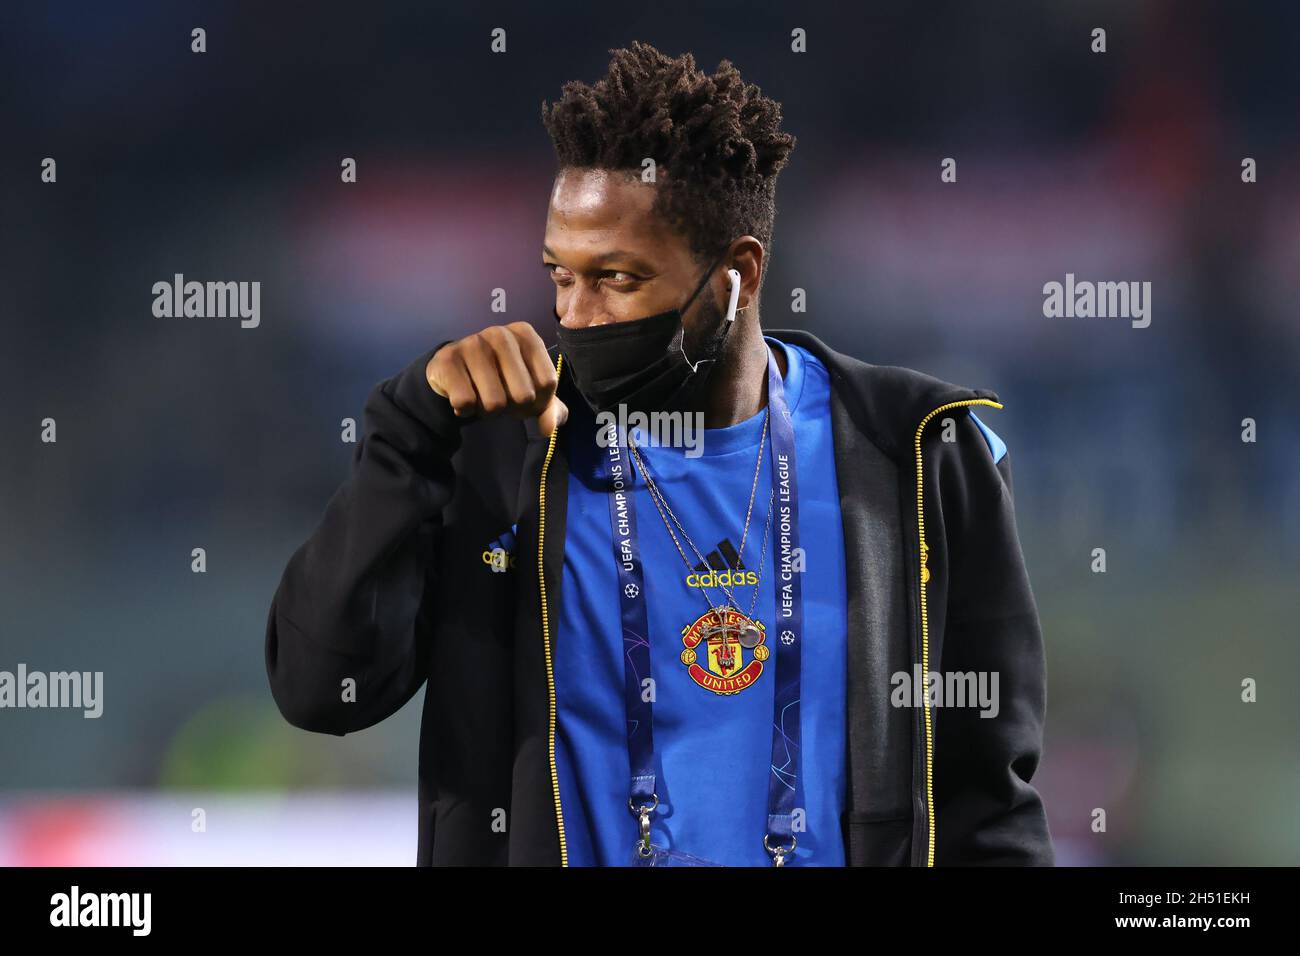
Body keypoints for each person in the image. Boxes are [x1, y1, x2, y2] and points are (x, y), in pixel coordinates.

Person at [265, 41, 1053, 867]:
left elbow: (988, 804)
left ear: (735, 276)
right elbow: (322, 689)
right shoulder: (500, 454)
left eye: (616, 278)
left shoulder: (917, 454)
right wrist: (408, 436)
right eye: (559, 276)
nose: (577, 316)